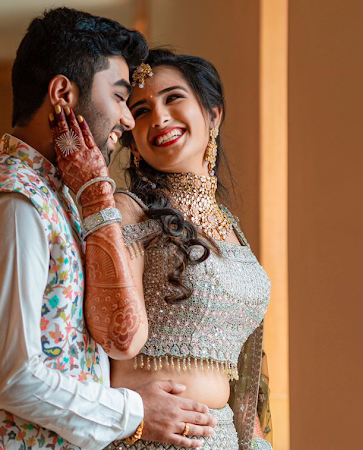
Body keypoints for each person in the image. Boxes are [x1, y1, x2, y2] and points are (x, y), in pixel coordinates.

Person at [0, 10, 216, 450]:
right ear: (63, 94)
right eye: (120, 97)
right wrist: (135, 412)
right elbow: (13, 376)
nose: (128, 120)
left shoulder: (52, 190)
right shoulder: (15, 201)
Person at [92, 49, 274, 450]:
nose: (158, 117)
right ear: (132, 140)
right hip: (153, 438)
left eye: (173, 98)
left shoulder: (230, 227)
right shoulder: (128, 211)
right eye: (141, 111)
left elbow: (243, 382)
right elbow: (116, 339)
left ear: (213, 115)